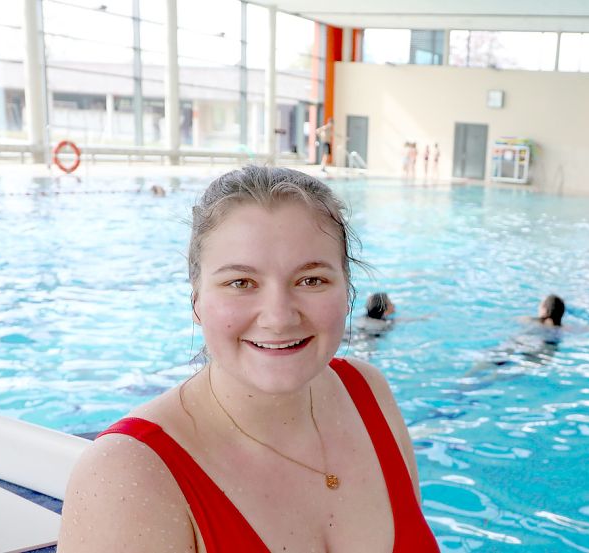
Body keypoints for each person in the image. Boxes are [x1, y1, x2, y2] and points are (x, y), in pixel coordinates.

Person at [58, 166, 438, 552]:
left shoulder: (368, 393)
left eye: (311, 280)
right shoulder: (128, 477)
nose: (279, 317)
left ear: (347, 290)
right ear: (197, 301)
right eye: (241, 283)